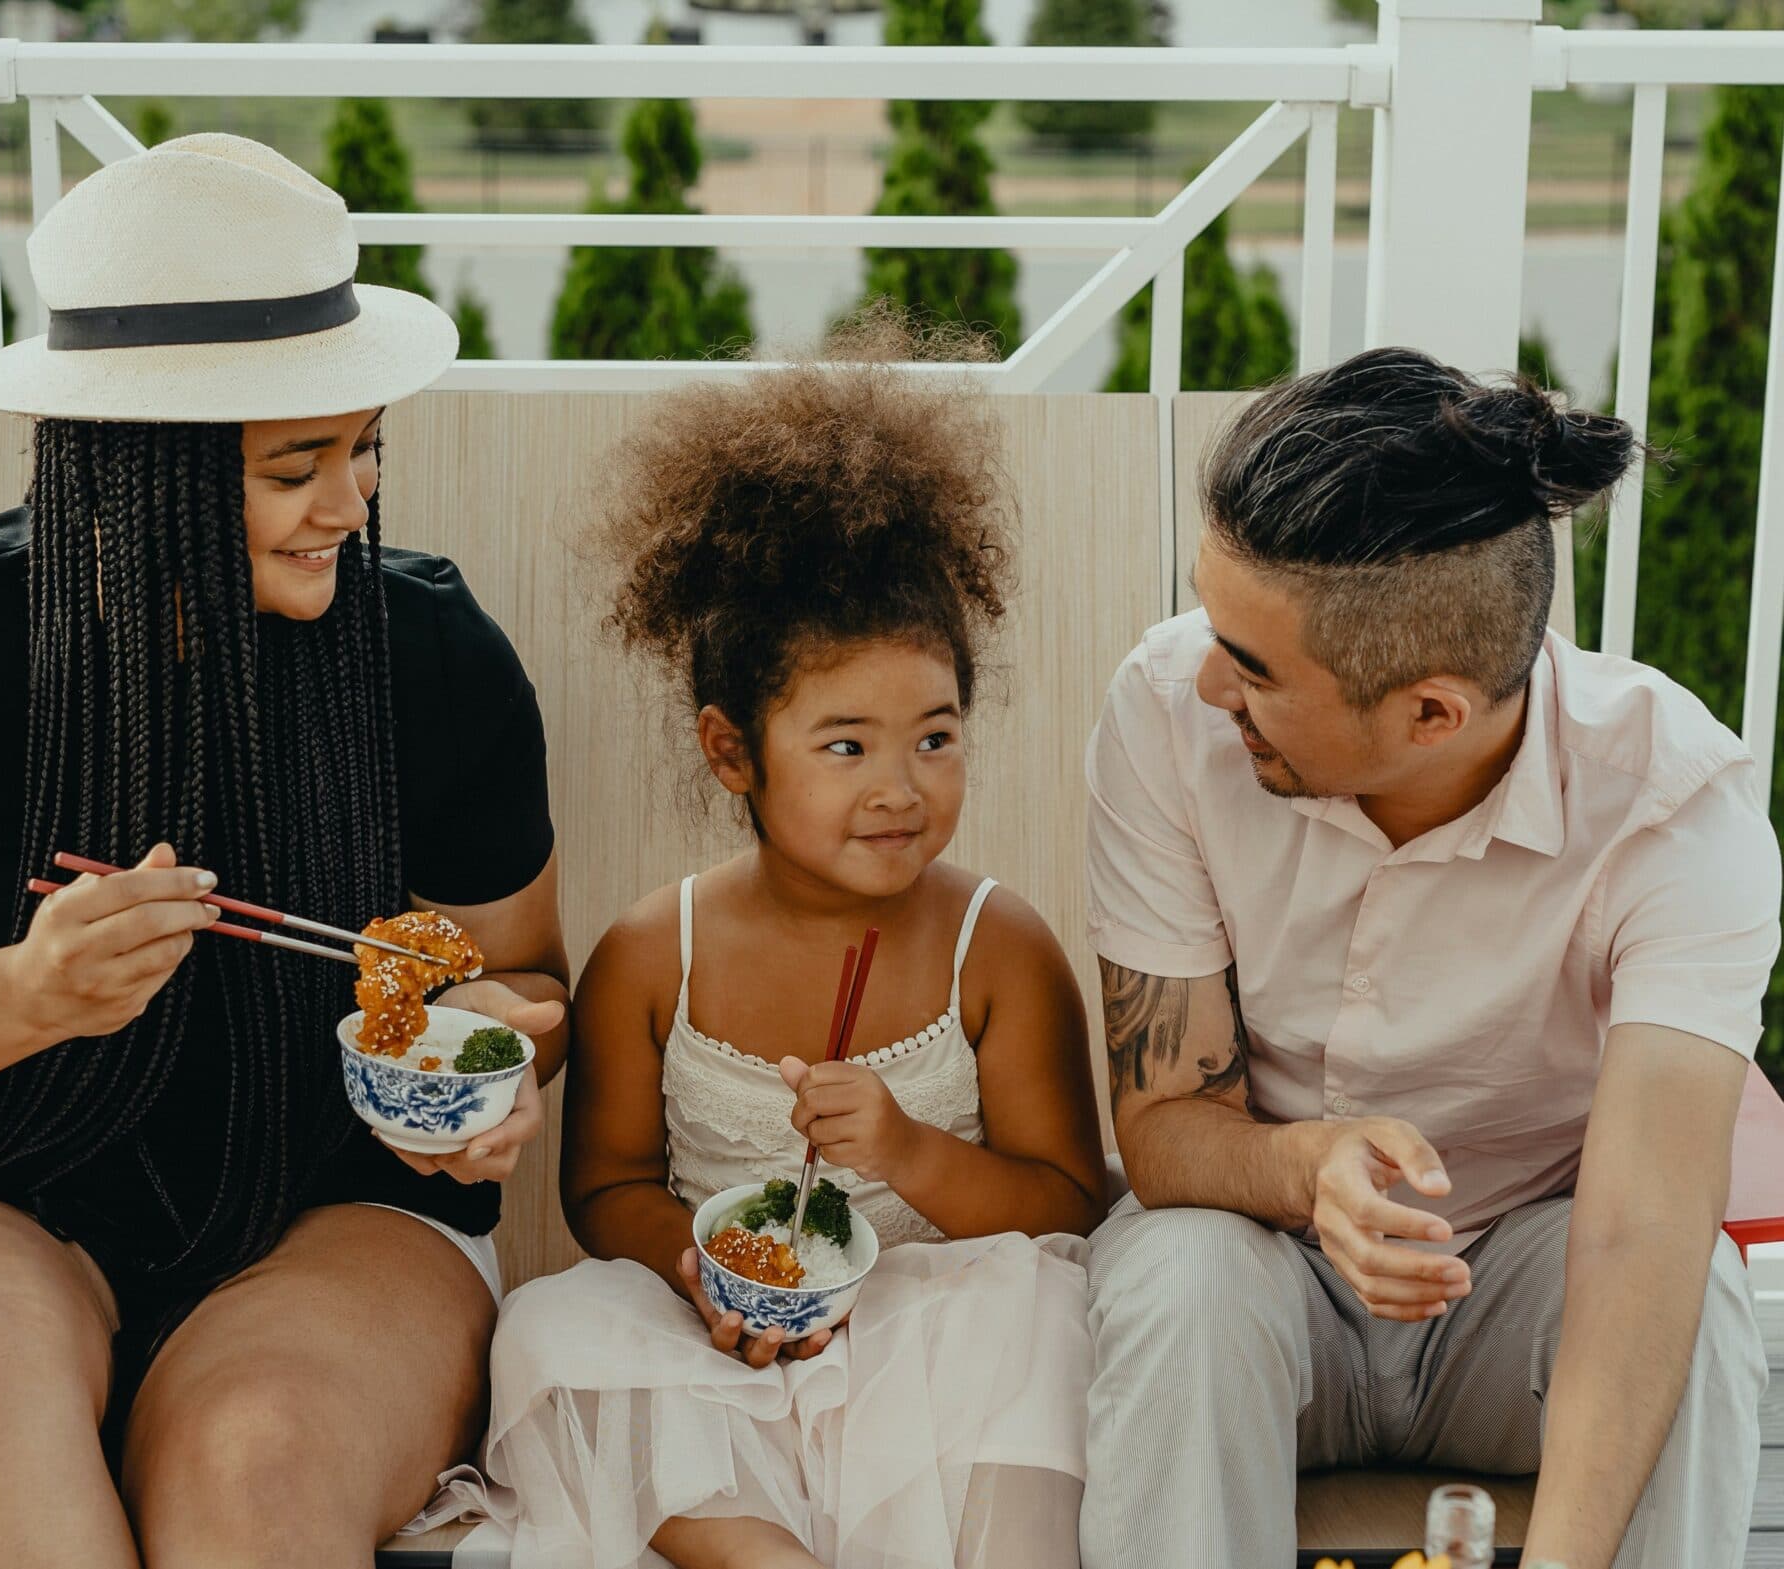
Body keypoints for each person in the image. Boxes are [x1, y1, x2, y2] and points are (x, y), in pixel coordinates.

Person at [0, 134, 569, 1567]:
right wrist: (23, 999)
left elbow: (526, 982)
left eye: (364, 447)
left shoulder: (429, 649)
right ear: (137, 467)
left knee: (256, 1461)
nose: (351, 505)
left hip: (336, 1216)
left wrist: (485, 1057)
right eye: (295, 467)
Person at [1078, 346, 1778, 1569]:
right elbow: (1161, 1127)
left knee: (1704, 1305)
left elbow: (1640, 1229)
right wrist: (1307, 1169)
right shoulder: (1164, 710)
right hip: (1262, 1277)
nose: (1208, 681)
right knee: (1178, 1279)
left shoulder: (1674, 811)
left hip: (1514, 1297)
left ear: (1430, 714)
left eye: (1253, 668)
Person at [427, 338, 1107, 1569]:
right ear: (730, 750)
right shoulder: (656, 952)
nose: (900, 788)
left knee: (1038, 1312)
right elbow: (604, 1191)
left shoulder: (995, 946)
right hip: (717, 1339)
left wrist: (904, 1151)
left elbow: (1066, 1199)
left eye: (935, 737)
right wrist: (701, 1271)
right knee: (551, 1330)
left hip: (936, 1339)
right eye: (845, 746)